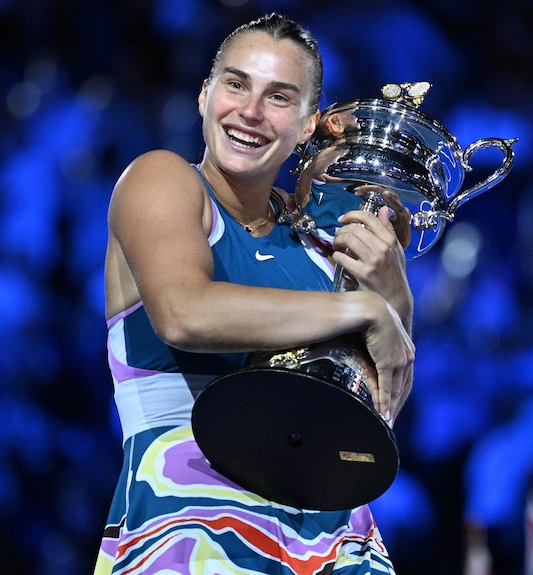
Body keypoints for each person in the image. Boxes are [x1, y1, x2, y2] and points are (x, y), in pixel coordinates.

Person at [94, 13, 415, 574]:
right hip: (191, 521)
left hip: (330, 533)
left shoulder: (322, 237)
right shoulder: (163, 180)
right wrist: (362, 307)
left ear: (309, 125)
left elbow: (373, 406)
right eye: (236, 83)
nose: (250, 111)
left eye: (279, 97)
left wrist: (393, 298)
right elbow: (183, 313)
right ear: (204, 95)